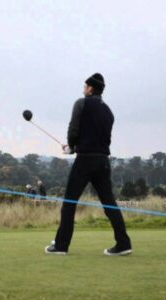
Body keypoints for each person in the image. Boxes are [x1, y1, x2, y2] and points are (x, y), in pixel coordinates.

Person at [45, 73, 132, 256]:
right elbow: (102, 138)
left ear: (91, 88)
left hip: (85, 160)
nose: (83, 89)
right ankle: (123, 243)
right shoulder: (109, 112)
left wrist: (72, 147)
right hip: (103, 161)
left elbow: (73, 129)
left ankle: (61, 245)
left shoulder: (81, 103)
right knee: (109, 204)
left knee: (69, 202)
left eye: (85, 86)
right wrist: (75, 146)